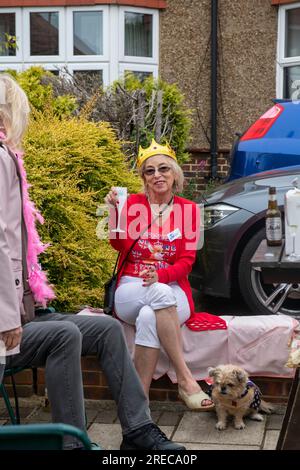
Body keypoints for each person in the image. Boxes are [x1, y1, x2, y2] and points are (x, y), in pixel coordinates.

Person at [0, 73, 185, 451]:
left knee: (104, 329)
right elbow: (2, 241)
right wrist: (6, 317)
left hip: (22, 315)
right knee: (64, 334)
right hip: (5, 323)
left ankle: (137, 431)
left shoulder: (186, 210)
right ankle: (73, 445)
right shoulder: (1, 158)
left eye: (163, 169)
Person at [105, 139, 215, 411]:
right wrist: (113, 214)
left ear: (175, 172)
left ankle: (137, 401)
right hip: (132, 287)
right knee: (157, 297)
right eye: (149, 171)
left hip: (172, 285)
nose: (157, 175)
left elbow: (188, 262)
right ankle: (186, 379)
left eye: (163, 168)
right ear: (143, 177)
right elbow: (118, 246)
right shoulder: (129, 204)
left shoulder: (189, 210)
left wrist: (162, 275)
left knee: (148, 314)